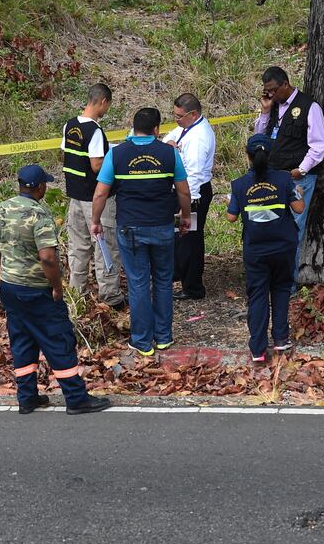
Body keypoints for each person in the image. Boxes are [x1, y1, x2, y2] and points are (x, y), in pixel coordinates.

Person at [0, 165, 112, 415]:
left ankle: (27, 397)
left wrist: (5, 266)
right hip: (37, 290)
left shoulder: (3, 208)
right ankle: (75, 398)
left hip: (10, 287)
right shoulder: (40, 215)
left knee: (22, 340)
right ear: (40, 187)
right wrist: (57, 288)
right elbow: (48, 258)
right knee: (57, 338)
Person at [90, 108, 191, 357]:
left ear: (133, 127)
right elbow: (184, 191)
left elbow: (101, 192)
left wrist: (95, 220)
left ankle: (142, 342)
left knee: (138, 283)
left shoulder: (116, 154)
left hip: (130, 228)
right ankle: (164, 337)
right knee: (163, 281)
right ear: (157, 130)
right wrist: (186, 217)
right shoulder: (170, 153)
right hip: (162, 226)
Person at [226, 135, 306, 361]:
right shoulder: (283, 179)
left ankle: (258, 349)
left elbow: (231, 217)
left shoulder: (240, 184)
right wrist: (299, 194)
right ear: (270, 155)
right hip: (284, 246)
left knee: (258, 294)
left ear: (248, 156)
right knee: (281, 288)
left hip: (256, 250)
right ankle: (281, 339)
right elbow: (298, 209)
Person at [254, 66, 324, 285]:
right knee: (269, 225)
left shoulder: (309, 107)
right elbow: (259, 139)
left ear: (285, 84)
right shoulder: (273, 107)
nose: (270, 95)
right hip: (272, 176)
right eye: (266, 91)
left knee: (292, 230)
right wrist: (265, 112)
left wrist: (302, 169)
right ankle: (269, 276)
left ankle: (287, 282)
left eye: (273, 91)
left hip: (298, 178)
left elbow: (319, 145)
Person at [61, 83, 124, 307]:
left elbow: (68, 154)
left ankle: (77, 293)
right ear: (103, 102)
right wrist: (115, 157)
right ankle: (110, 296)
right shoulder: (95, 131)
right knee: (104, 247)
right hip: (96, 199)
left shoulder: (69, 125)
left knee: (78, 247)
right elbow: (97, 165)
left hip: (75, 196)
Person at [164, 93, 215, 301]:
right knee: (182, 236)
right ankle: (182, 274)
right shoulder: (188, 127)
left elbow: (193, 174)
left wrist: (187, 206)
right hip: (185, 192)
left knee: (190, 239)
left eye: (179, 116)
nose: (176, 119)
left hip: (193, 194)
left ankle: (193, 287)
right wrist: (169, 143)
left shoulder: (198, 138)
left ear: (193, 114)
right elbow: (170, 136)